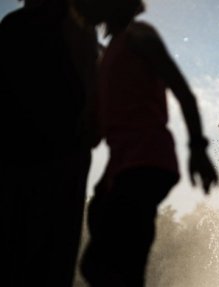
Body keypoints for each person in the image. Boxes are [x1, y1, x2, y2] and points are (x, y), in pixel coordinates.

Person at [77, 0, 218, 286]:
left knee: (105, 265)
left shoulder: (138, 35)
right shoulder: (106, 56)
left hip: (147, 163)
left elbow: (181, 90)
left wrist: (198, 148)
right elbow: (98, 133)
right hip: (125, 166)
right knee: (107, 259)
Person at [0, 0, 99, 286]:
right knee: (52, 257)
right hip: (61, 159)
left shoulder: (13, 26)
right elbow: (92, 95)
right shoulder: (77, 25)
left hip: (22, 159)